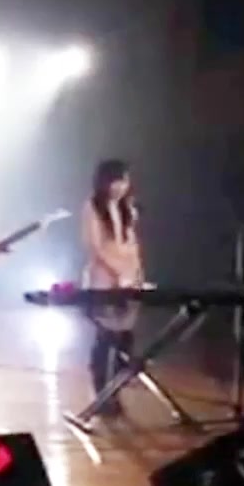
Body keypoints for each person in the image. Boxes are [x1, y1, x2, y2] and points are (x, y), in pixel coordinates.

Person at [81, 159, 143, 416]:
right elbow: (95, 247)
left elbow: (133, 245)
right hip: (104, 280)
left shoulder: (128, 209)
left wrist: (136, 273)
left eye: (124, 181)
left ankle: (115, 392)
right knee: (106, 339)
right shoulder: (92, 207)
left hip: (129, 279)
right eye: (115, 181)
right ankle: (102, 396)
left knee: (125, 341)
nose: (120, 187)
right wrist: (116, 272)